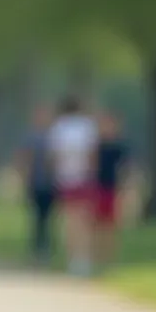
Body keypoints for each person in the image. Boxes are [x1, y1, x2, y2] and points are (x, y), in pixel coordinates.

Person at [46, 94, 98, 276]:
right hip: (84, 179)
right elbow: (92, 155)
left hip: (65, 179)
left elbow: (54, 156)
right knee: (83, 221)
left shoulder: (59, 127)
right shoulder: (87, 126)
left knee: (69, 221)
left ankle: (71, 259)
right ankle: (83, 259)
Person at [16, 104, 57, 264]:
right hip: (35, 182)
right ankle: (37, 248)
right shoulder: (31, 138)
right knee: (37, 217)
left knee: (48, 217)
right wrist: (23, 178)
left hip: (51, 183)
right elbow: (23, 159)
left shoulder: (54, 137)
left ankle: (46, 247)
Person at [91, 111, 131, 271]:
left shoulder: (119, 148)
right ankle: (97, 257)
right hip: (97, 188)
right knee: (96, 226)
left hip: (113, 189)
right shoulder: (97, 146)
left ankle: (109, 259)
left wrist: (126, 188)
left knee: (111, 226)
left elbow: (126, 169)